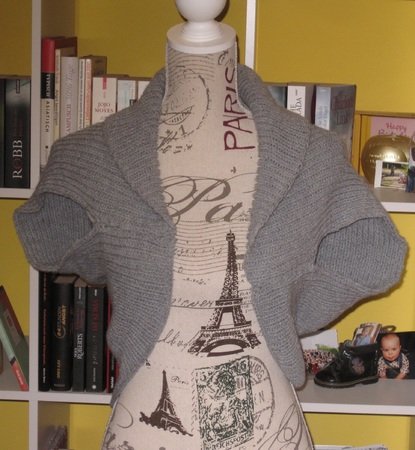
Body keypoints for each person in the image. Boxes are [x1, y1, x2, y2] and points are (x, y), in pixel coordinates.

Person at [13, 0, 406, 449]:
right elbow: (46, 239)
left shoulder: (311, 155)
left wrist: (287, 306)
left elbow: (377, 257)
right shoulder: (92, 155)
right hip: (142, 429)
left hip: (268, 430)